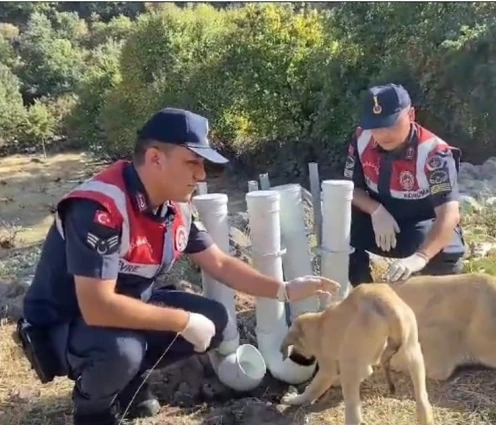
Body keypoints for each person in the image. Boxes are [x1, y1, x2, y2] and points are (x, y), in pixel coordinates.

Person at [20, 107, 339, 425]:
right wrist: (183, 320)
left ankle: (128, 379)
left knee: (215, 319)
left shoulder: (175, 207)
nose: (201, 175)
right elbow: (96, 306)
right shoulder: (100, 208)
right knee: (123, 351)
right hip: (66, 322)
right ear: (156, 158)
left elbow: (219, 263)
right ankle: (94, 410)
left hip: (125, 311)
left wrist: (282, 289)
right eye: (192, 163)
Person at [342, 83, 466, 285]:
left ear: (411, 115)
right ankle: (365, 295)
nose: (382, 134)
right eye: (375, 126)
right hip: (379, 220)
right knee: (339, 222)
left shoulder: (434, 152)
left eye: (390, 124)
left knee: (445, 252)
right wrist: (375, 210)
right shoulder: (361, 139)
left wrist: (420, 257)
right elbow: (349, 188)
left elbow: (449, 214)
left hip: (420, 224)